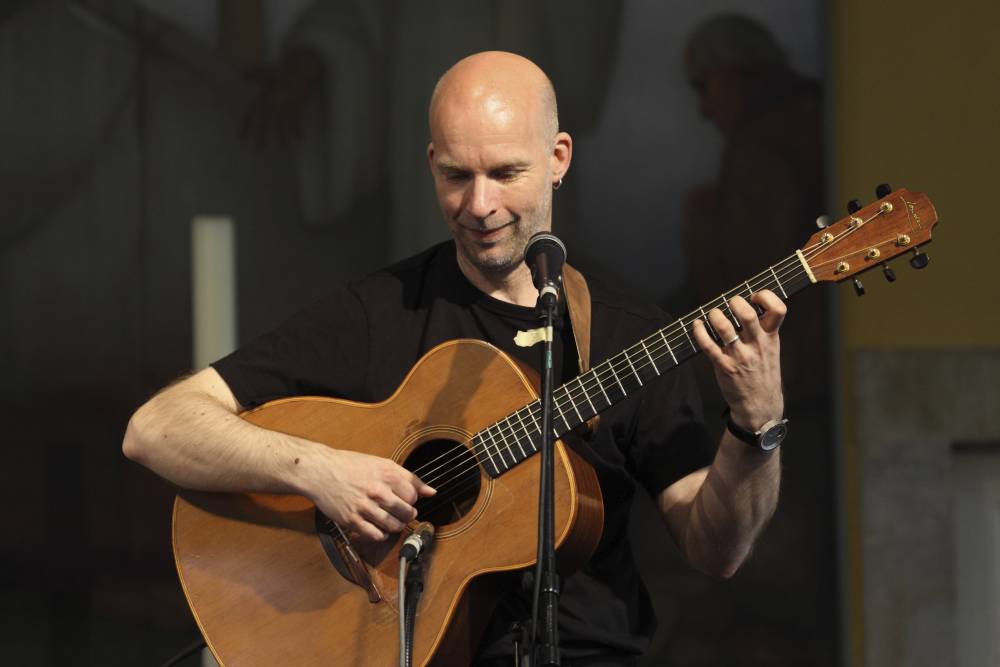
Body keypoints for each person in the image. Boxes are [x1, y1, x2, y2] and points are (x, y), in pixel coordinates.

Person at [123, 51, 787, 665]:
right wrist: (321, 472)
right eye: (456, 175)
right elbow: (155, 429)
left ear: (558, 158)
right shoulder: (381, 312)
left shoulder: (628, 335)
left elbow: (716, 549)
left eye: (505, 173)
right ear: (431, 163)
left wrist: (756, 426)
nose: (479, 205)